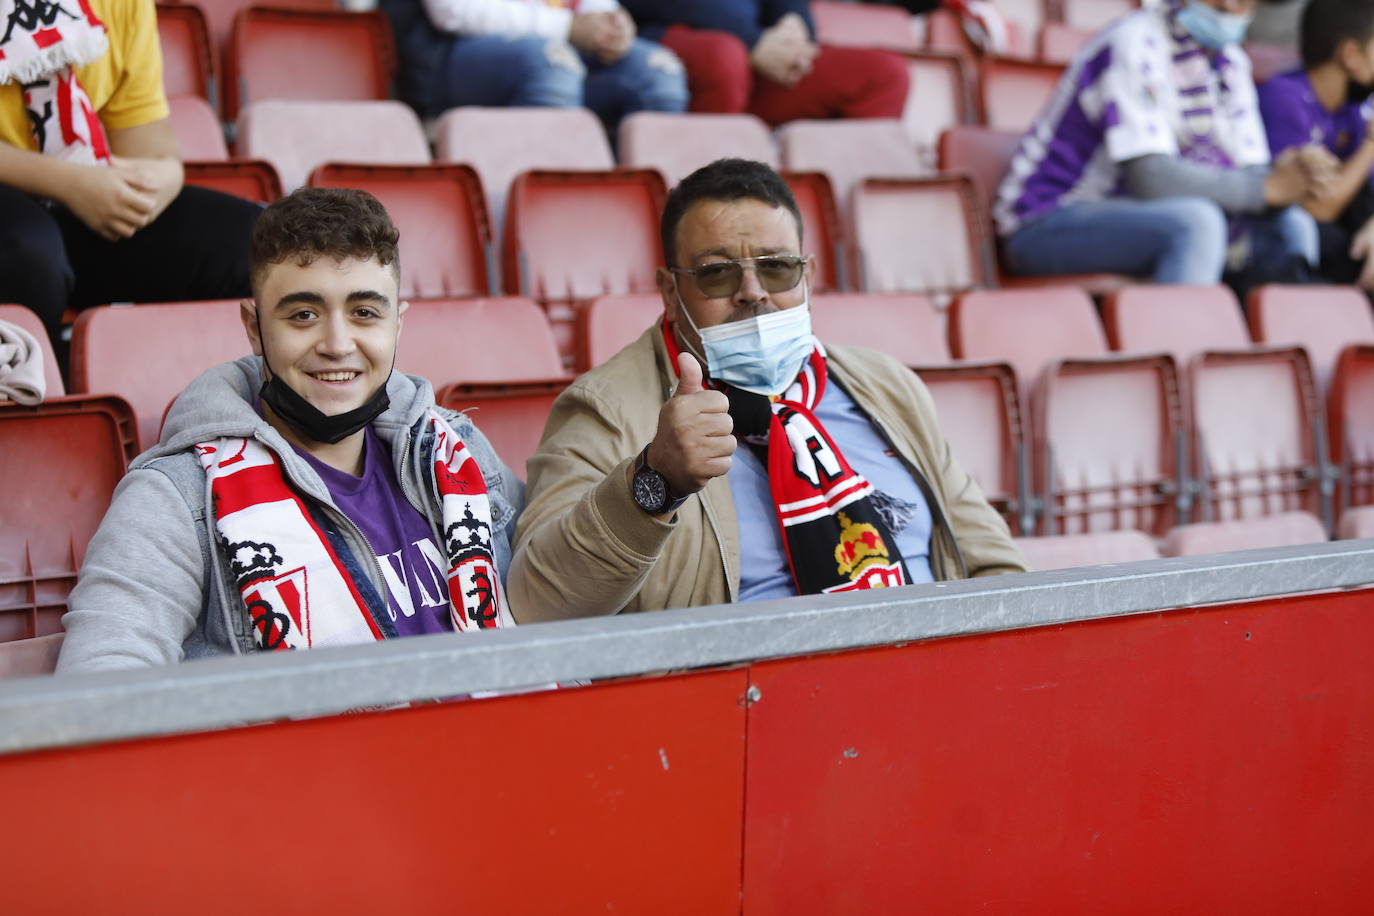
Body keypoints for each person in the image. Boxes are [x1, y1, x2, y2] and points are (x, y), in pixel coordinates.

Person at [507, 158, 1024, 622]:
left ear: (808, 275)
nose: (752, 292)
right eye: (716, 273)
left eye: (777, 268)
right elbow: (537, 604)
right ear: (670, 289)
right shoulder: (607, 411)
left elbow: (996, 568)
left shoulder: (887, 386)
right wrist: (654, 481)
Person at [57, 189, 523, 671]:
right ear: (254, 327)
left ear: (397, 324)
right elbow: (102, 680)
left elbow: (551, 590)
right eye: (303, 315)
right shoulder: (177, 496)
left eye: (365, 312)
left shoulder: (454, 447)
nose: (338, 345)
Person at [995, 0, 1332, 293]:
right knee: (1197, 223)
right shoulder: (1134, 39)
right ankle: (1181, 355)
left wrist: (1290, 176)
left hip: (1141, 218)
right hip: (1046, 219)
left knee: (1292, 223)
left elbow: (1252, 173)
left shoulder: (1233, 61)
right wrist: (1266, 188)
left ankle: (1274, 355)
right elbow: (1152, 178)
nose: (1230, 5)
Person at [0, 0, 260, 352]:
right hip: (32, 209)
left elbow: (148, 147)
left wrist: (159, 180)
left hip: (79, 196)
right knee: (29, 254)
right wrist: (68, 183)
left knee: (258, 242)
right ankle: (39, 391)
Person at [380, 0, 687, 133]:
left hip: (567, 50)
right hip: (450, 57)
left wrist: (614, 25)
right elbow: (452, 11)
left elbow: (596, 7)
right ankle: (549, 208)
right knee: (551, 65)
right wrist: (566, 27)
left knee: (660, 74)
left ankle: (645, 219)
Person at [619, 1, 909, 125]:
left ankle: (840, 222)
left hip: (759, 55)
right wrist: (752, 41)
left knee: (884, 74)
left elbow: (790, 6)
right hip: (668, 42)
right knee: (723, 58)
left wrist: (794, 31)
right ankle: (713, 195)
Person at [1258, 0, 1374, 287]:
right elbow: (1317, 208)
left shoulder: (1352, 108)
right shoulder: (1282, 97)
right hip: (1285, 241)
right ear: (1351, 54)